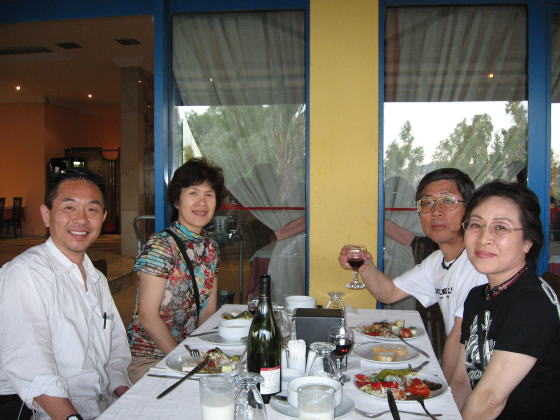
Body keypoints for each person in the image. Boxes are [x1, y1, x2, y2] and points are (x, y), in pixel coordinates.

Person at [0, 169, 131, 420]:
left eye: (92, 210)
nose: (81, 219)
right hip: (45, 412)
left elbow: (116, 352)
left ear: (103, 218)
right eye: (69, 208)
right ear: (46, 215)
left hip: (101, 405)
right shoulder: (24, 274)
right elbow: (34, 372)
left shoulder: (97, 279)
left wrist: (129, 398)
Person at [339, 168, 487, 379]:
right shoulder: (437, 260)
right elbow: (390, 293)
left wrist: (444, 388)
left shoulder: (478, 265)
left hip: (480, 379)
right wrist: (366, 267)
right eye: (427, 203)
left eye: (448, 201)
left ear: (469, 209)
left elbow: (460, 338)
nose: (436, 211)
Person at [450, 181, 560, 419]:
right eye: (476, 225)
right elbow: (461, 381)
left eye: (500, 227)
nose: (484, 238)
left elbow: (490, 400)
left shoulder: (533, 304)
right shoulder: (478, 296)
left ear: (528, 242)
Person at [126, 158, 225, 382]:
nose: (202, 202)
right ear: (177, 201)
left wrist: (202, 355)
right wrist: (184, 360)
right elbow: (147, 317)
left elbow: (207, 313)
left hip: (188, 352)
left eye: (209, 194)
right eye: (193, 193)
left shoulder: (210, 248)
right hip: (150, 357)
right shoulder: (161, 246)